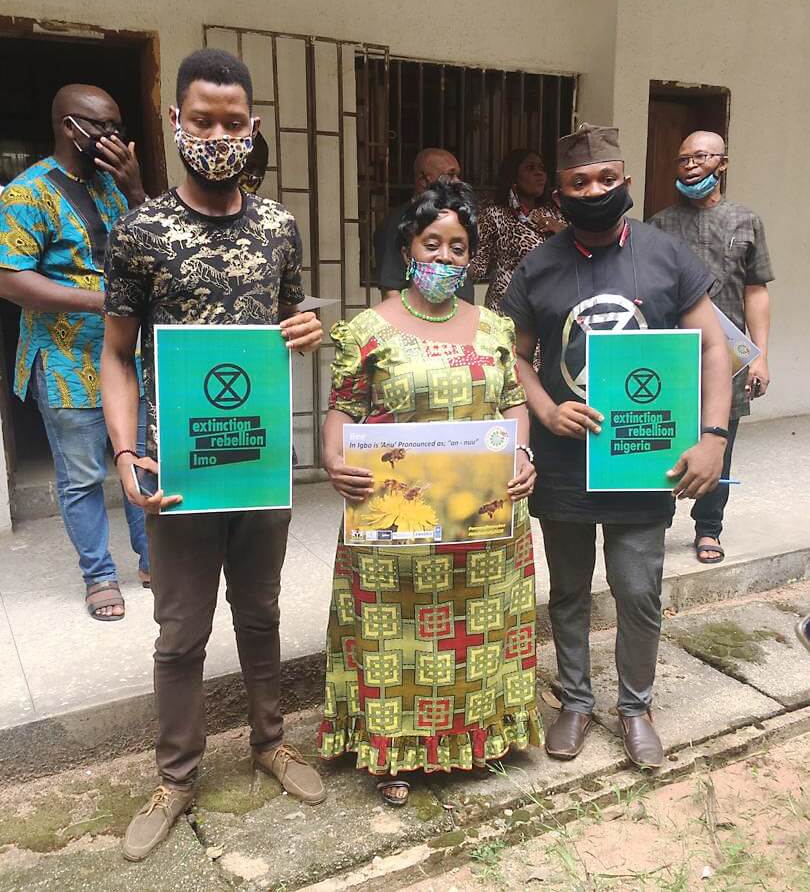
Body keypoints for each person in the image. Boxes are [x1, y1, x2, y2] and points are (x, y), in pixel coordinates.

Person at [101, 49, 325, 861]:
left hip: (257, 460)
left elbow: (286, 327)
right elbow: (116, 354)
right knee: (180, 632)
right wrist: (129, 453)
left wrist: (305, 334)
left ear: (253, 127)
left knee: (261, 613)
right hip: (180, 470)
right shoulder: (139, 232)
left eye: (234, 123)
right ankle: (178, 775)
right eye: (203, 121)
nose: (219, 135)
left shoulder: (277, 227)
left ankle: (270, 740)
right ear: (176, 123)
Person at [501, 124, 731, 770]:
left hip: (641, 459)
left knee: (637, 590)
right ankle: (575, 701)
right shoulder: (538, 265)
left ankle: (636, 708)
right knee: (569, 590)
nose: (594, 190)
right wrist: (545, 407)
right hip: (565, 463)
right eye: (579, 183)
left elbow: (714, 346)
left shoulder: (666, 256)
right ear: (561, 191)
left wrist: (712, 437)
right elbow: (514, 357)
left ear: (626, 180)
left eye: (606, 179)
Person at [318, 179, 540, 807]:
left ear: (472, 257)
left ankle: (481, 736)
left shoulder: (496, 329)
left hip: (482, 524)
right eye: (432, 244)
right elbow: (343, 409)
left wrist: (522, 454)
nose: (445, 259)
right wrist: (335, 459)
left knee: (482, 630)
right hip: (397, 528)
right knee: (397, 638)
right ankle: (394, 751)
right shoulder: (366, 331)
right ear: (408, 246)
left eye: (459, 247)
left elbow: (514, 404)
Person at [0, 84, 150, 621]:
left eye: (118, 126)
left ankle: (151, 559)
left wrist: (134, 187)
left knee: (143, 462)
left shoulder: (112, 187)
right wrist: (104, 300)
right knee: (83, 475)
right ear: (69, 127)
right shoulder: (25, 194)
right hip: (64, 362)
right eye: (101, 127)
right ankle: (99, 576)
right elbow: (10, 279)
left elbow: (154, 242)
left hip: (126, 357)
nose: (113, 137)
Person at [649, 131, 773, 565]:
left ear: (722, 163)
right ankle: (656, 521)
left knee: (721, 439)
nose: (690, 165)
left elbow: (756, 291)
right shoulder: (658, 224)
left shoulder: (745, 220)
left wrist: (760, 353)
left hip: (732, 358)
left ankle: (708, 528)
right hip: (674, 355)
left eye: (700, 156)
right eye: (683, 158)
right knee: (666, 436)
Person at [469, 148, 566, 312]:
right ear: (514, 176)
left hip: (546, 309)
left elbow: (573, 255)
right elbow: (477, 269)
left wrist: (559, 228)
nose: (539, 173)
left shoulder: (554, 213)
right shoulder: (494, 215)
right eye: (530, 168)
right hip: (506, 310)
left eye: (541, 168)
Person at [374, 148, 475, 303]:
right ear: (423, 179)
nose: (457, 181)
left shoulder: (460, 215)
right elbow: (391, 290)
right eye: (450, 174)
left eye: (457, 248)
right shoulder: (399, 221)